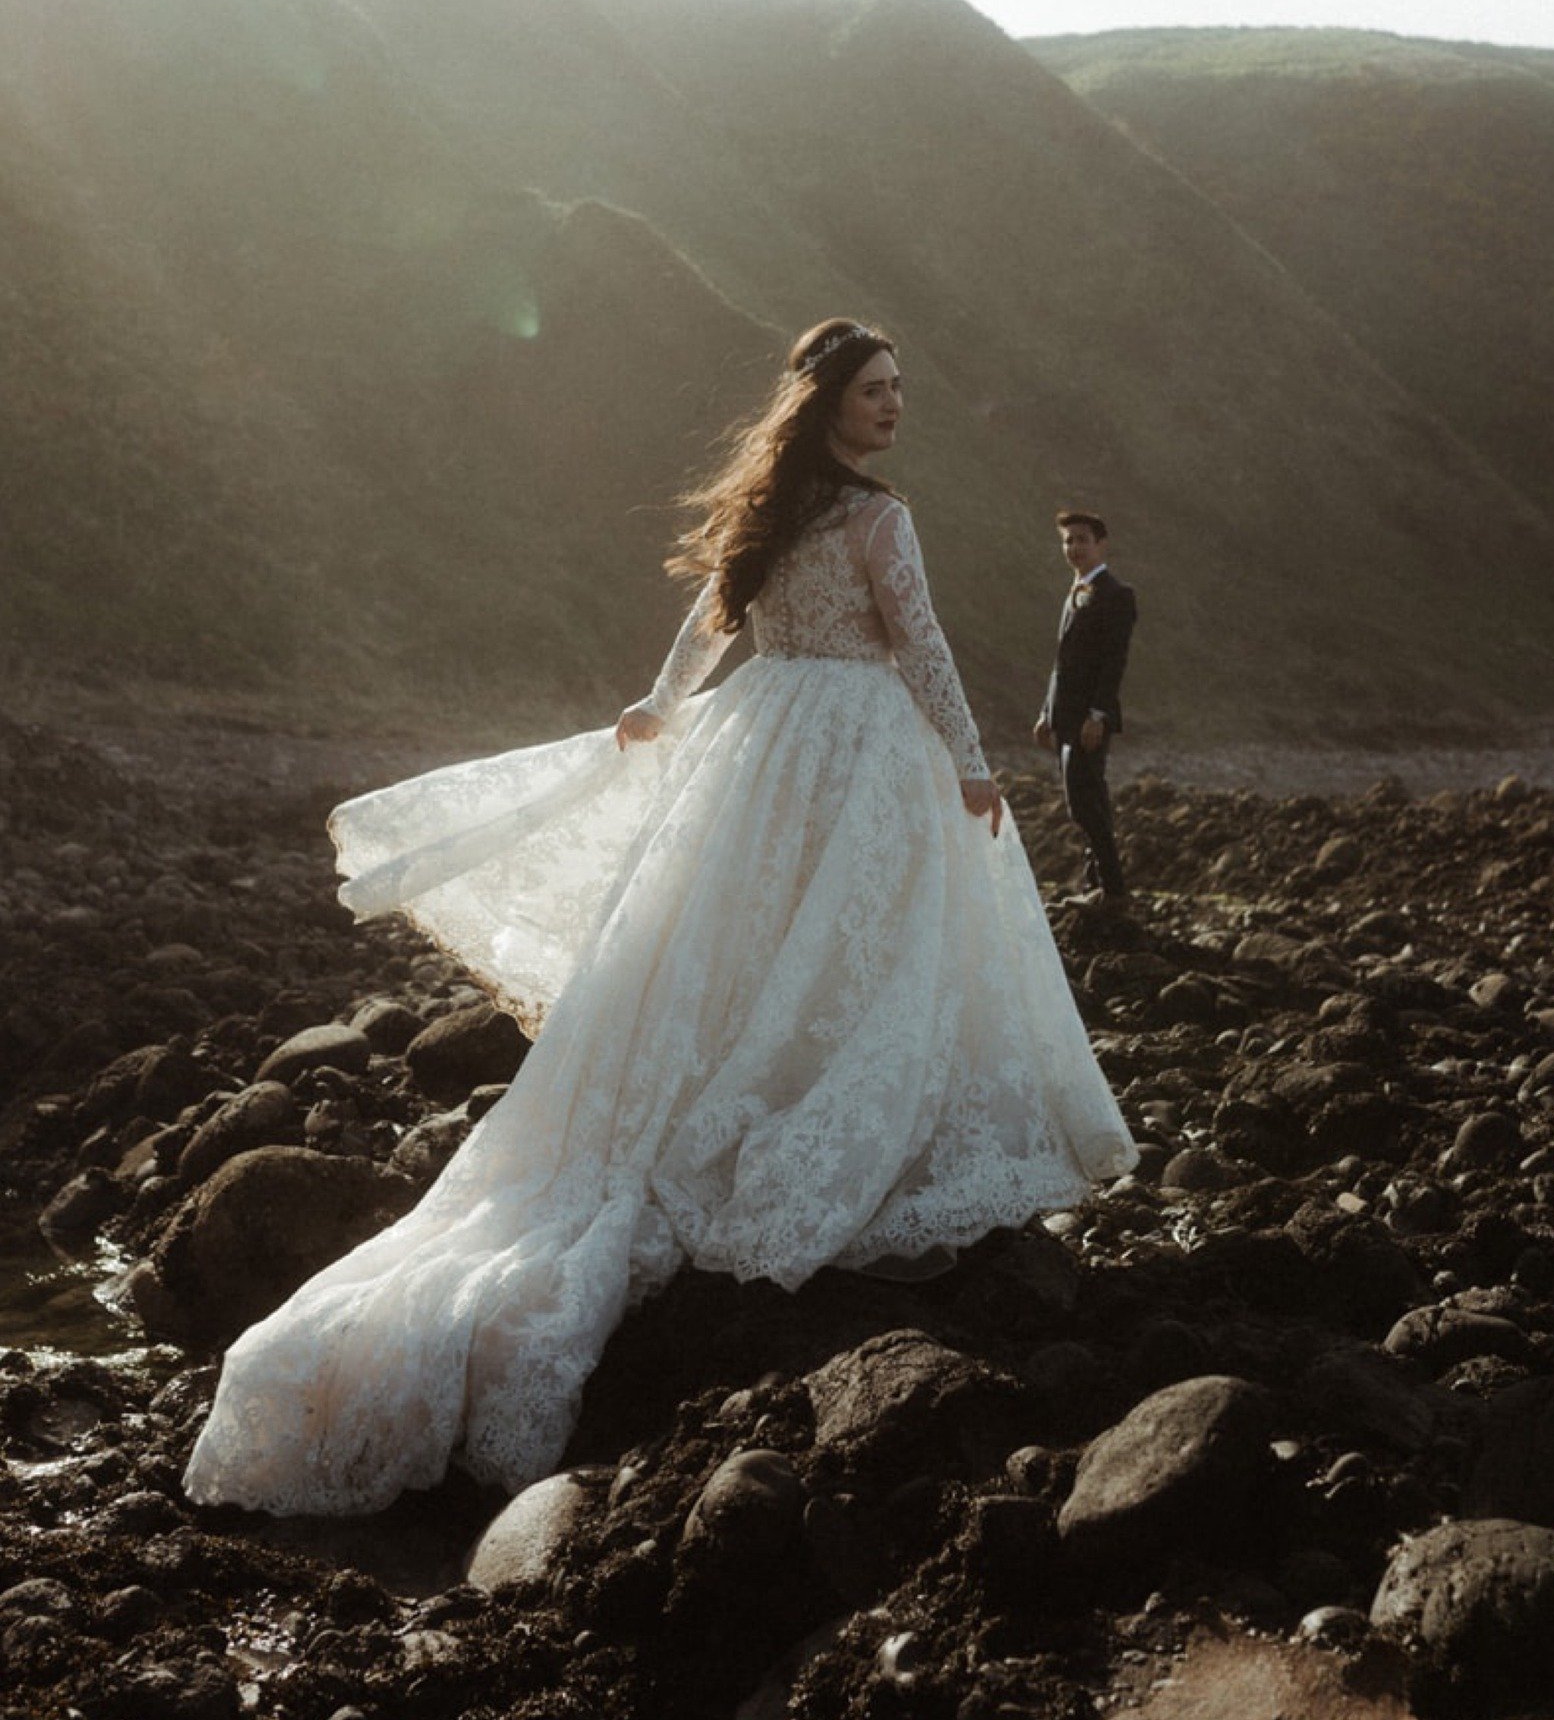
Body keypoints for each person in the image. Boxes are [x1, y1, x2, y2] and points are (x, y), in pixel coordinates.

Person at [182, 320, 1135, 1518]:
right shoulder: (879, 518)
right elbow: (918, 641)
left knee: (745, 945)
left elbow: (714, 625)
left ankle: (756, 1092)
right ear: (829, 400)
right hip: (855, 741)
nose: (896, 407)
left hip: (764, 732)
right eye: (877, 390)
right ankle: (806, 1112)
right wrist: (971, 759)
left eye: (900, 390)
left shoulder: (774, 505)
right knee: (851, 949)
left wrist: (664, 698)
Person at [1033, 510, 1137, 909]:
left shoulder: (1116, 594)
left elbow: (1114, 663)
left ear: (1101, 543)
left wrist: (1098, 715)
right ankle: (1100, 884)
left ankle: (1112, 890)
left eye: (1082, 539)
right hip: (1065, 715)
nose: (1074, 548)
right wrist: (1047, 711)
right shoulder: (1074, 591)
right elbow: (1063, 661)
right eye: (1067, 541)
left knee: (1084, 801)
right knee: (1087, 799)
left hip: (1089, 720)